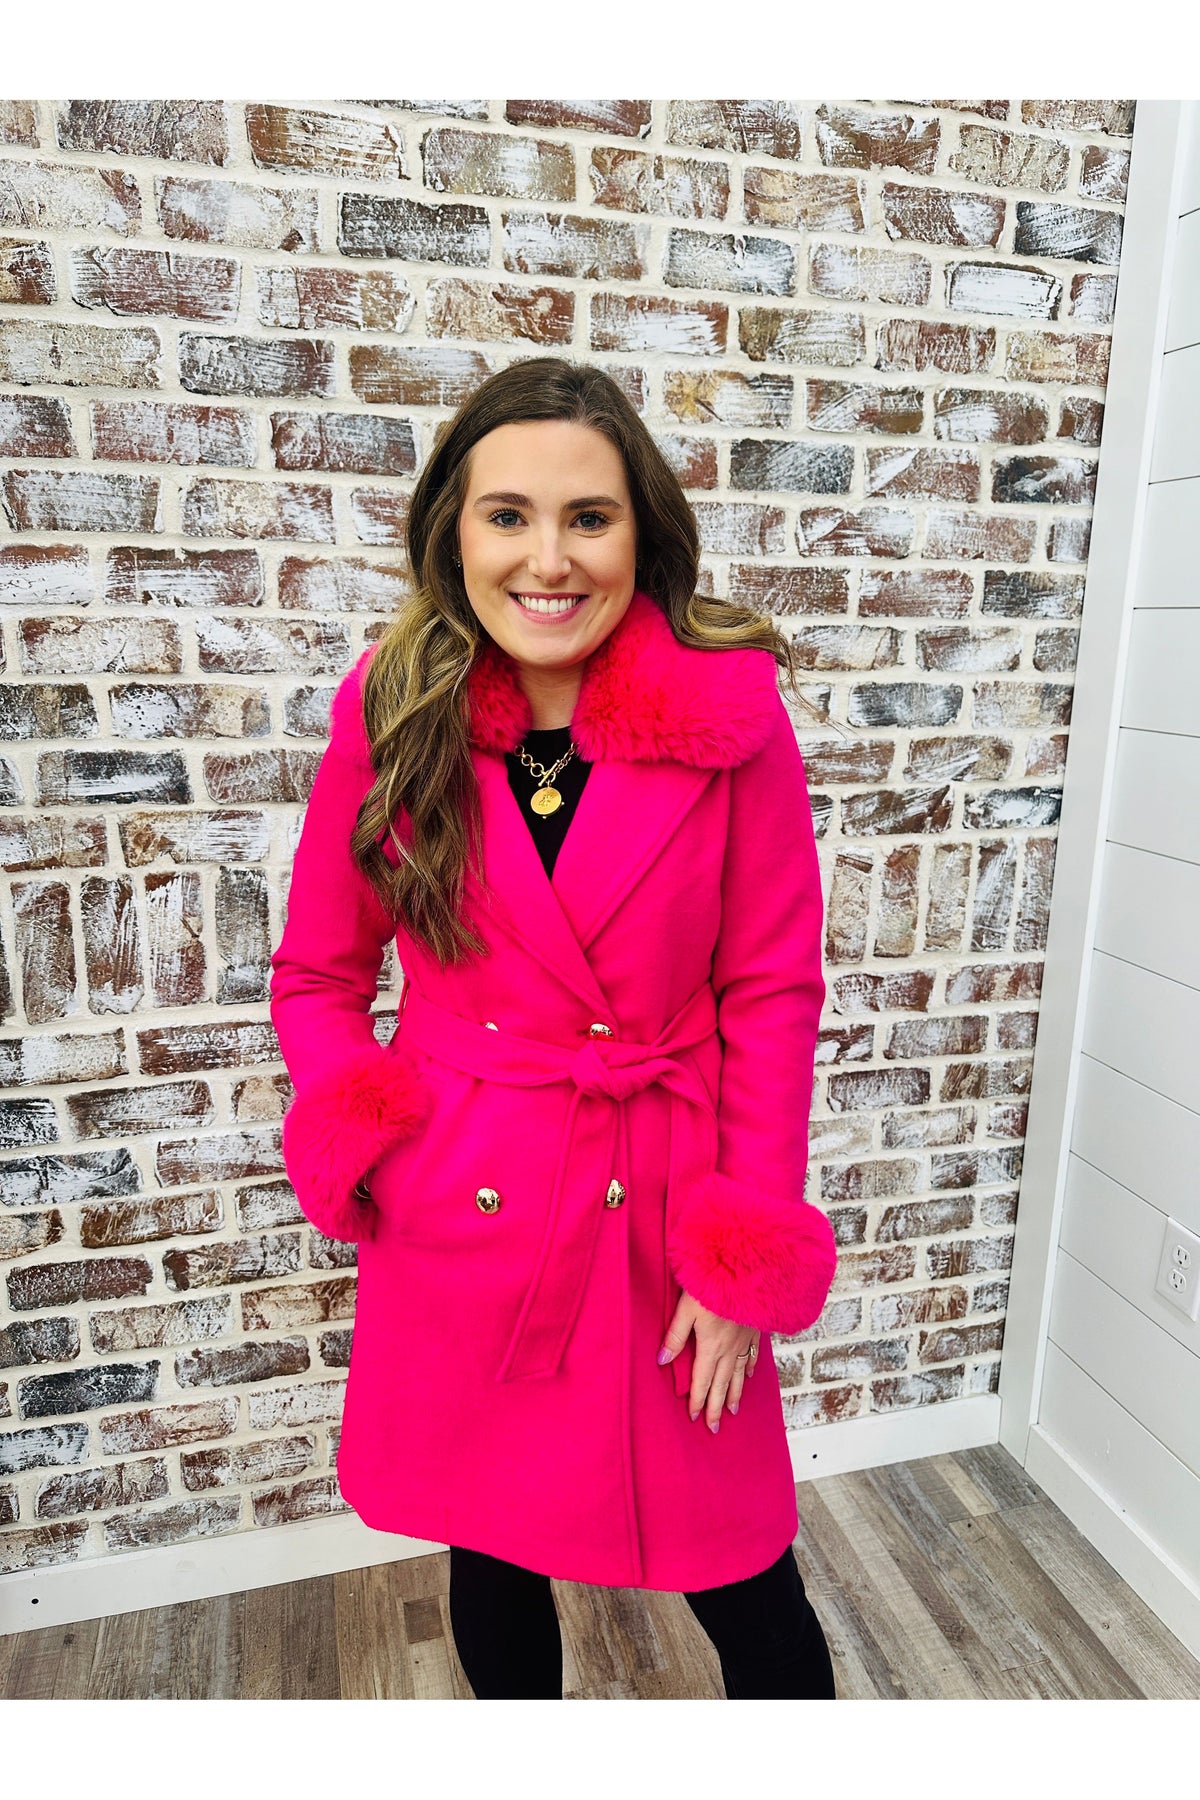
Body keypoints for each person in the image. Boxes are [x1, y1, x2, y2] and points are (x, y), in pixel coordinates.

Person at [269, 356, 839, 1700]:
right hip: (463, 1203)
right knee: (493, 1547)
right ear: (452, 532)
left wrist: (740, 1259)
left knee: (743, 1570)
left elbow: (771, 993)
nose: (549, 559)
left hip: (662, 1211)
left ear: (641, 534)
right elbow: (317, 974)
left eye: (589, 517)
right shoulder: (393, 709)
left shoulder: (729, 720)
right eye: (508, 515)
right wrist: (375, 1140)